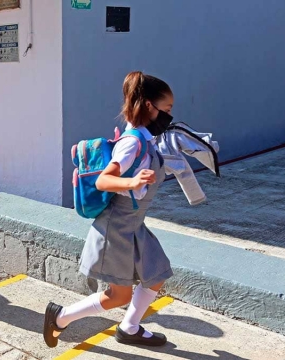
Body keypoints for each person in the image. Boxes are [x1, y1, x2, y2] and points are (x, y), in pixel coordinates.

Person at [43, 71, 175, 347]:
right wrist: (132, 181)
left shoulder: (145, 137)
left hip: (134, 224)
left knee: (157, 275)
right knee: (119, 296)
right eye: (168, 109)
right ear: (150, 106)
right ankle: (60, 318)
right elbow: (104, 180)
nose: (170, 115)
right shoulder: (133, 142)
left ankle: (129, 327)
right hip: (116, 227)